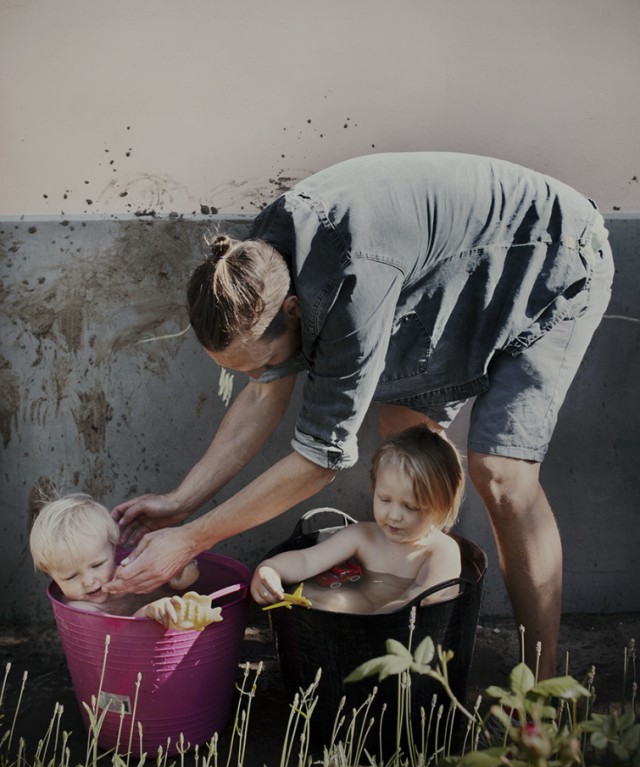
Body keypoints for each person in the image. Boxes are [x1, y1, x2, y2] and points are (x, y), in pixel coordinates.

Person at [108, 152, 614, 679]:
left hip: (555, 258)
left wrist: (192, 540)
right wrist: (180, 503)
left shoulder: (351, 285)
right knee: (403, 438)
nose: (255, 377)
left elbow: (319, 460)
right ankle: (424, 613)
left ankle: (545, 690)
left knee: (502, 474)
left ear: (294, 312)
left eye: (260, 363)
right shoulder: (254, 265)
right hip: (452, 273)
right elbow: (264, 395)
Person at [251, 424, 465, 614]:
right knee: (328, 599)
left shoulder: (440, 551)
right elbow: (306, 561)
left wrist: (368, 621)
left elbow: (421, 602)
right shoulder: (362, 537)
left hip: (401, 641)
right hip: (357, 620)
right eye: (384, 499)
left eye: (410, 507)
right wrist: (271, 569)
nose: (394, 515)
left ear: (440, 508)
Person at [30, 493, 200, 624]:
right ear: (51, 576)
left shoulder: (129, 573)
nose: (88, 581)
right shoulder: (79, 607)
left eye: (97, 565)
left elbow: (171, 582)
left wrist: (180, 575)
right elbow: (112, 636)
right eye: (71, 576)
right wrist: (146, 612)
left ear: (113, 548)